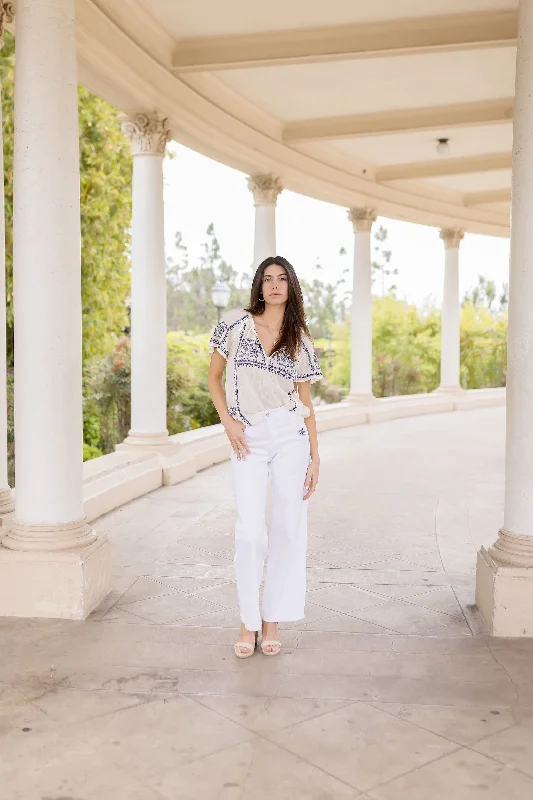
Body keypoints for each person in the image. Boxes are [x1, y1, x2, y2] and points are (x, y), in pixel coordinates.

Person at [207, 256, 323, 658]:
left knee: (288, 528)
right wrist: (229, 424)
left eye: (282, 279)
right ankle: (247, 619)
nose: (274, 285)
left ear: (291, 287)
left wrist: (315, 455)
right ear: (258, 286)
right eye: (268, 279)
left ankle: (270, 620)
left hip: (290, 434)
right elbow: (214, 379)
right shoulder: (234, 325)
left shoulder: (299, 339)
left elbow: (306, 401)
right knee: (251, 531)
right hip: (249, 435)